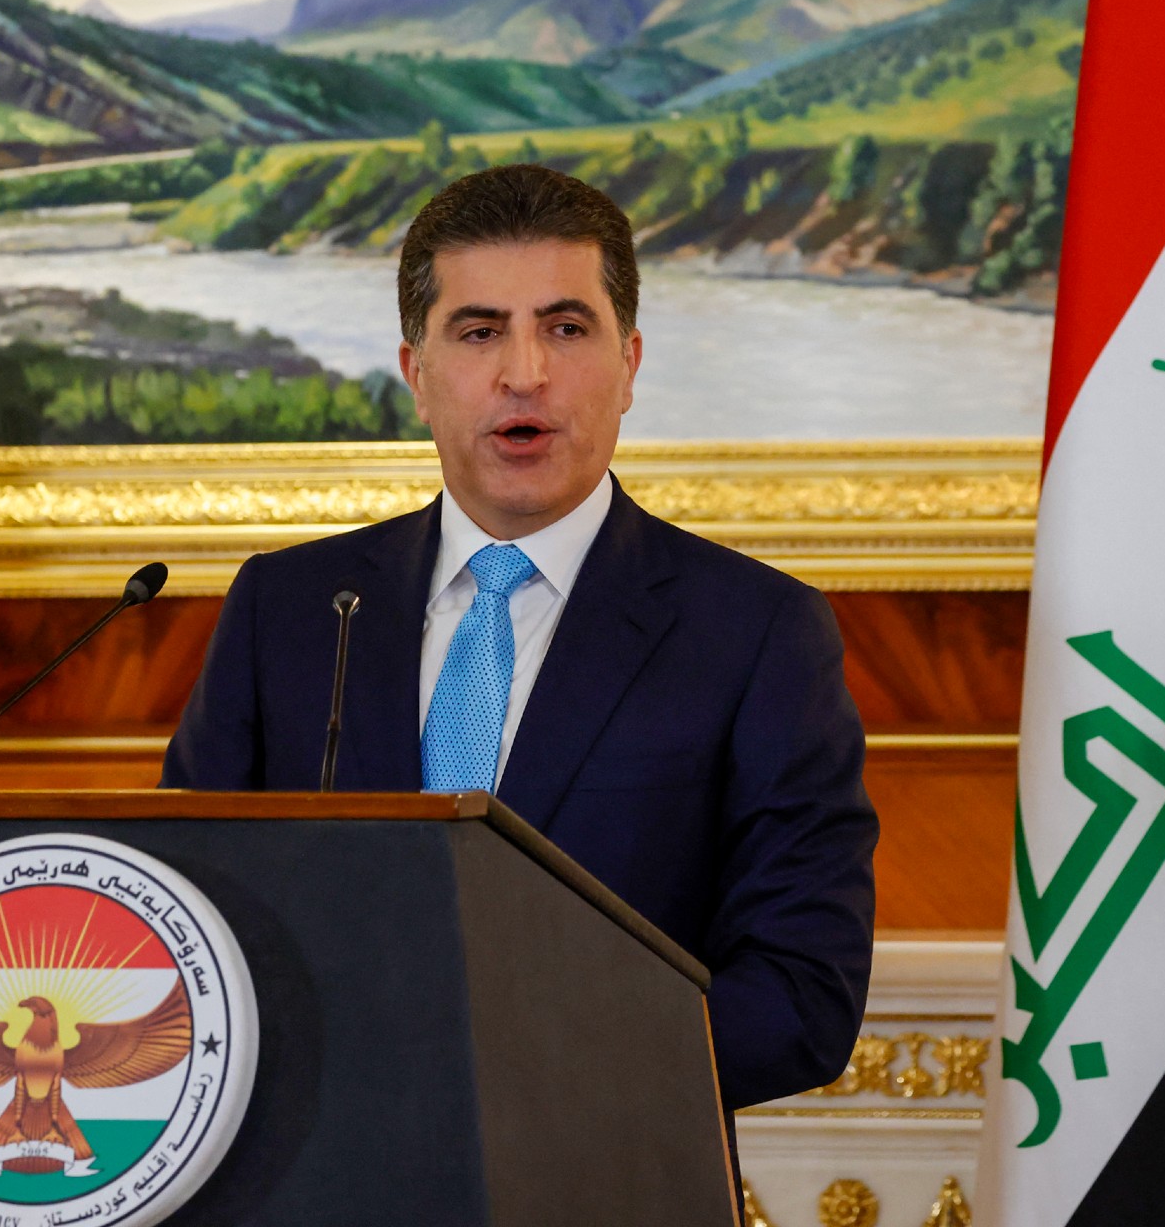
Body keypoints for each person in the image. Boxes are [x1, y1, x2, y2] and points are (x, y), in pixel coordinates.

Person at [162, 164, 878, 1113]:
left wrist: (507, 1059)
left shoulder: (755, 632)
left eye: (566, 328)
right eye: (481, 330)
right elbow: (183, 932)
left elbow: (801, 999)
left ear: (629, 364)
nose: (525, 372)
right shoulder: (288, 610)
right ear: (417, 374)